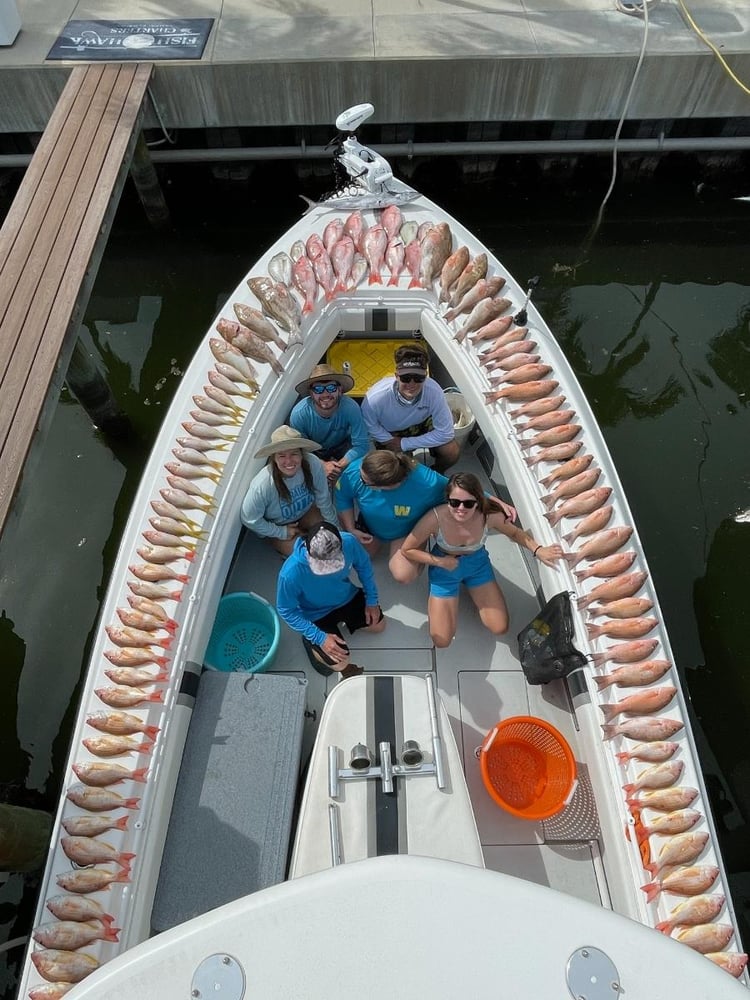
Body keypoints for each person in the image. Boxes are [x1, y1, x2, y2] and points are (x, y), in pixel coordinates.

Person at [400, 472, 564, 648]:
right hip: (444, 568)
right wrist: (440, 562)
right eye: (454, 502)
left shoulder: (490, 516)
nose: (460, 508)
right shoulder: (435, 518)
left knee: (499, 627)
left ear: (478, 501)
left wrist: (538, 550)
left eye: (468, 503)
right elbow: (407, 549)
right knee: (441, 641)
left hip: (477, 566)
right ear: (447, 499)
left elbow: (515, 533)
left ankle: (472, 590)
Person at [335, 451, 516, 583]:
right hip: (370, 527)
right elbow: (343, 496)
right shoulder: (358, 470)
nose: (359, 479)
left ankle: (420, 545)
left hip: (406, 532)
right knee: (357, 557)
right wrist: (351, 528)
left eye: (364, 481)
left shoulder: (426, 481)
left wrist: (495, 501)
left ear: (388, 485)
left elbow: (461, 491)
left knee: (403, 575)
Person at [276, 521, 386, 678]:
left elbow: (364, 566)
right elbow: (285, 609)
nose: (326, 570)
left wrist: (372, 600)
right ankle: (310, 642)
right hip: (314, 613)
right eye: (321, 565)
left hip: (345, 597)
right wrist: (318, 636)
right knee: (341, 663)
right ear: (307, 550)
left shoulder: (349, 541)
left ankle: (343, 625)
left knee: (379, 626)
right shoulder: (290, 573)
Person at [360, 343, 460, 473]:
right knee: (399, 468)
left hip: (421, 425)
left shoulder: (434, 391)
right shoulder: (376, 397)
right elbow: (370, 425)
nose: (412, 384)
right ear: (396, 376)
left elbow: (446, 433)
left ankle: (435, 472)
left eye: (418, 378)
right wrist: (389, 441)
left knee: (451, 451)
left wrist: (404, 443)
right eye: (406, 378)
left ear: (425, 377)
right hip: (390, 434)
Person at [240, 425, 338, 556]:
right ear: (274, 458)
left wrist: (336, 529)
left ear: (302, 454)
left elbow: (323, 498)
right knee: (306, 555)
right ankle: (288, 543)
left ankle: (303, 535)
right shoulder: (262, 485)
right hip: (278, 525)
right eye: (281, 456)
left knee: (329, 537)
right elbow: (249, 518)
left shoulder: (313, 463)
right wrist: (281, 532)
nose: (289, 461)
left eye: (294, 454)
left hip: (307, 513)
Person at [289, 363, 370, 484]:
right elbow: (301, 449)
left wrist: (338, 466)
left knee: (368, 465)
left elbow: (361, 445)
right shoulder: (299, 414)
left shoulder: (351, 407)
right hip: (314, 451)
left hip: (344, 446)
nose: (325, 394)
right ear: (311, 393)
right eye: (318, 389)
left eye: (331, 388)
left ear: (340, 390)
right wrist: (322, 465)